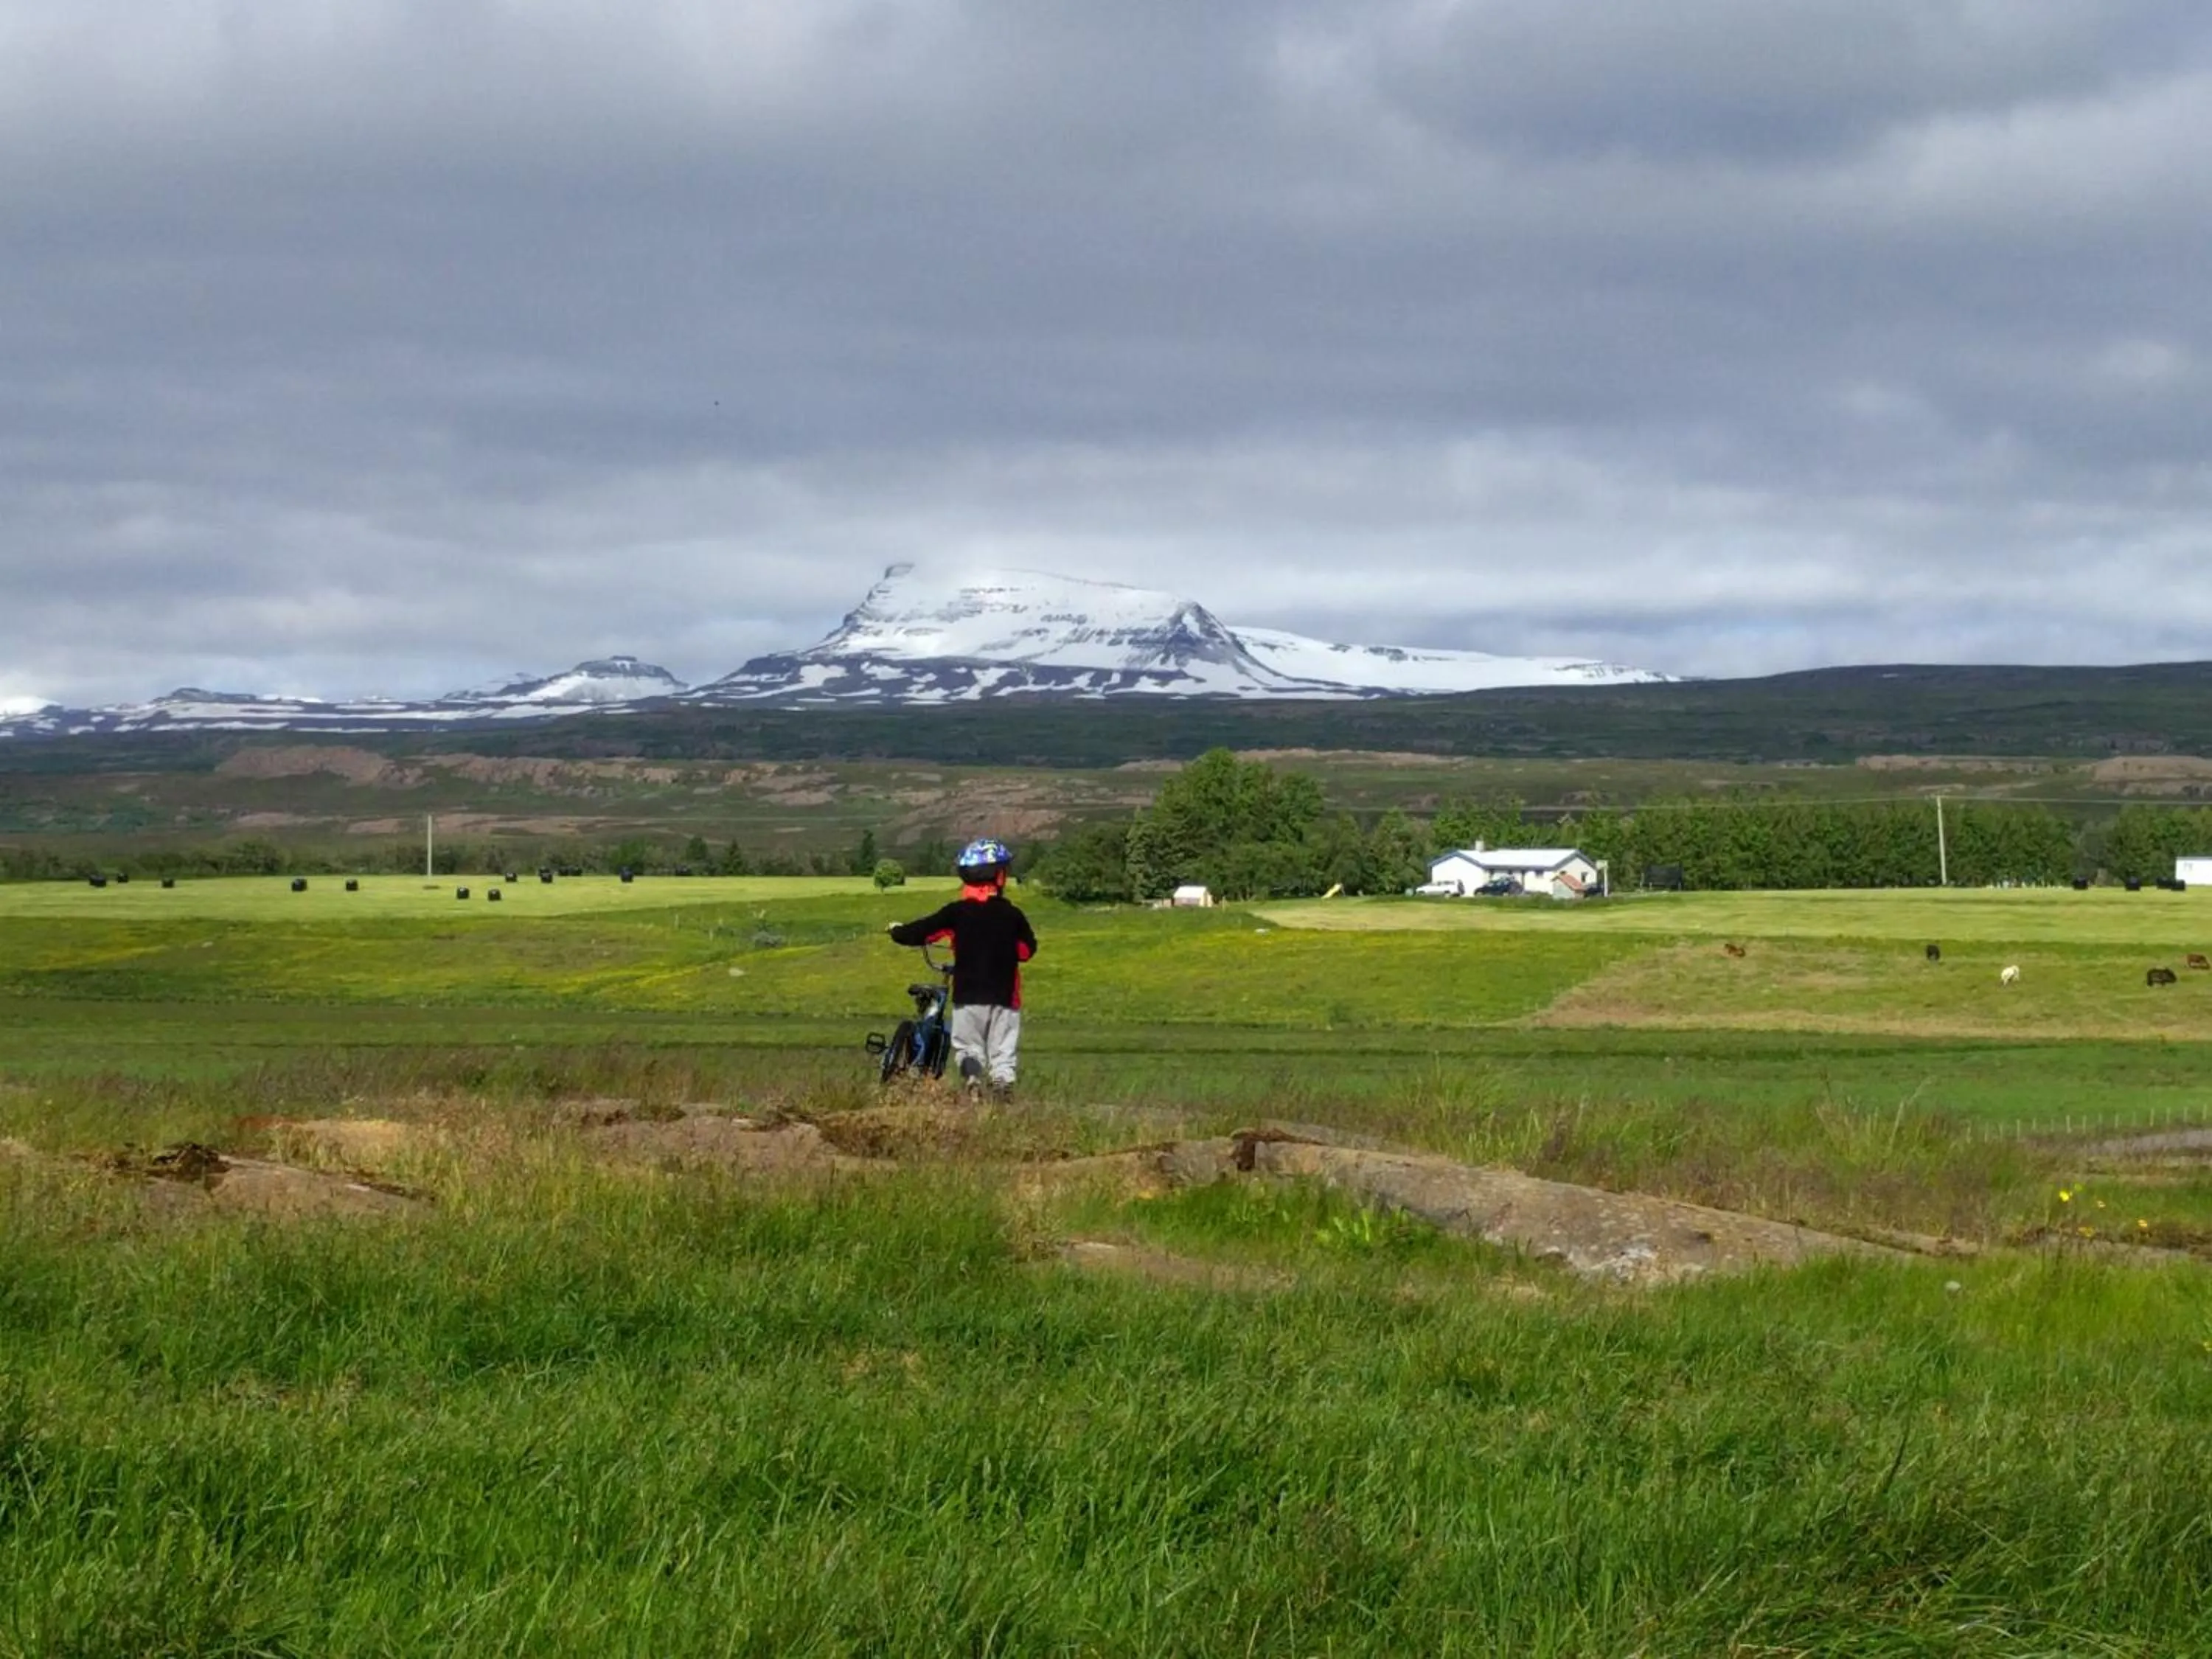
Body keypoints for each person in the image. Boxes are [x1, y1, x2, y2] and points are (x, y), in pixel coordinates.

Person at [886, 837, 1037, 1093]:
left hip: (968, 996)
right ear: (999, 877)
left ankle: (973, 1080)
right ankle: (1001, 1087)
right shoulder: (1013, 915)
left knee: (969, 1048)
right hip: (1005, 997)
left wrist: (897, 931)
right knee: (1002, 1054)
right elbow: (1026, 951)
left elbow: (923, 931)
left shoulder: (956, 913)